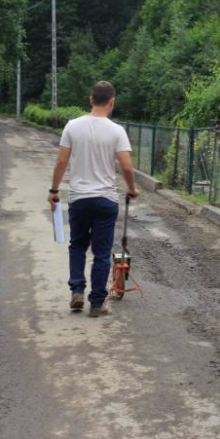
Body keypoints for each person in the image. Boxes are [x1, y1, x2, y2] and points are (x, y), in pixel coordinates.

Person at [49, 81, 140, 318]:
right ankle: (97, 303)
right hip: (105, 199)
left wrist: (54, 191)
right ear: (112, 102)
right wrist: (132, 188)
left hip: (79, 198)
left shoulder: (72, 126)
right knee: (101, 252)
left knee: (78, 245)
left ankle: (77, 291)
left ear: (91, 100)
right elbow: (127, 167)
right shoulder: (117, 131)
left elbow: (61, 162)